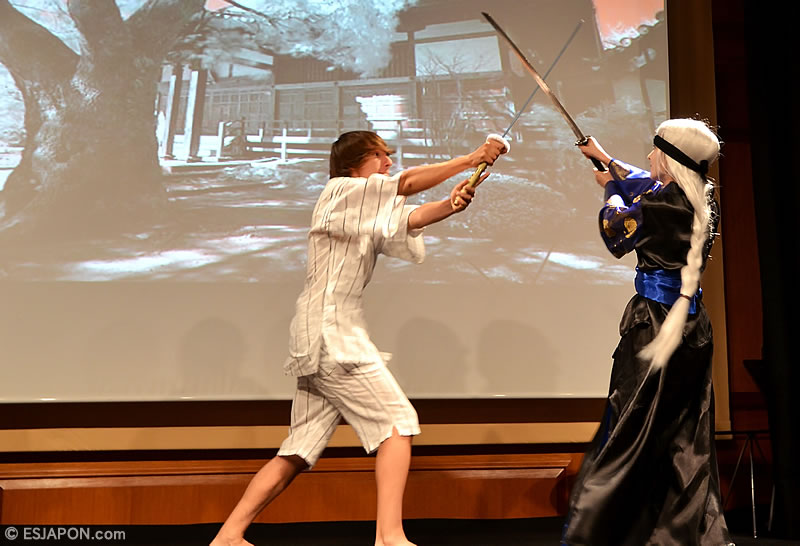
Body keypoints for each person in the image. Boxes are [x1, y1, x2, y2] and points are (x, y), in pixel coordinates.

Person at [211, 130, 508, 546]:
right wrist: (471, 157)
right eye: (379, 155)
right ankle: (389, 537)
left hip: (323, 334)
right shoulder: (340, 191)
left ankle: (228, 535)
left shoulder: (364, 206)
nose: (388, 162)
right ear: (353, 164)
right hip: (332, 336)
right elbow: (406, 184)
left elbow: (407, 220)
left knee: (298, 449)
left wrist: (450, 203)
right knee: (396, 423)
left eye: (388, 155)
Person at [562, 119, 733, 545]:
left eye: (656, 150)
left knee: (629, 429)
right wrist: (605, 158)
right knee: (684, 438)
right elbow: (645, 181)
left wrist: (609, 187)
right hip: (691, 330)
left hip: (654, 326)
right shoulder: (700, 199)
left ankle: (600, 533)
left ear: (670, 160)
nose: (649, 156)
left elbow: (615, 229)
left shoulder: (659, 207)